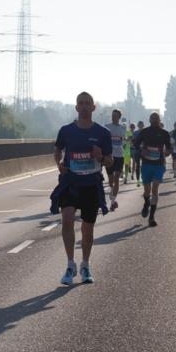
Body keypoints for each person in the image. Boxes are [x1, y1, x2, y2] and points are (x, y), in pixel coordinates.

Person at [52, 92, 113, 285]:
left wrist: (101, 157)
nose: (85, 106)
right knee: (67, 220)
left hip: (91, 185)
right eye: (81, 103)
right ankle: (70, 265)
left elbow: (110, 161)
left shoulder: (103, 133)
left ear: (94, 107)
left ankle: (85, 265)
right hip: (71, 182)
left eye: (88, 103)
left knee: (88, 229)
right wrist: (59, 163)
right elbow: (58, 150)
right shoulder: (66, 130)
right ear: (76, 107)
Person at [135, 112, 172, 227]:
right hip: (146, 164)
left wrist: (168, 152)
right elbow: (136, 143)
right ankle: (146, 203)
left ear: (159, 120)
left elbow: (170, 147)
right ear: (149, 120)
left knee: (155, 188)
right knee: (147, 191)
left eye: (157, 118)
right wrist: (142, 150)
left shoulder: (164, 133)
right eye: (153, 118)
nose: (155, 120)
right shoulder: (144, 132)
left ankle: (151, 217)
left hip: (159, 164)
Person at [104, 109, 126, 211]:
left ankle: (113, 201)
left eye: (116, 116)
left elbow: (124, 140)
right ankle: (111, 192)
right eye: (112, 115)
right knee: (111, 179)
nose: (113, 117)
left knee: (116, 177)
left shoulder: (122, 128)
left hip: (119, 155)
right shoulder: (107, 127)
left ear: (119, 117)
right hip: (109, 156)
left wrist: (127, 140)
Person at [132, 120, 145, 187]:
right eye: (139, 125)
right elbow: (133, 141)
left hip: (144, 151)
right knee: (138, 166)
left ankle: (142, 178)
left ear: (143, 125)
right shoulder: (135, 133)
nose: (140, 126)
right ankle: (138, 180)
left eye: (141, 125)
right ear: (138, 126)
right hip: (137, 151)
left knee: (143, 166)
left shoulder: (146, 132)